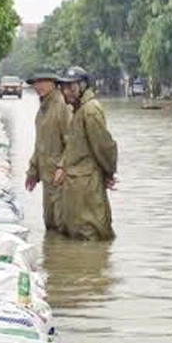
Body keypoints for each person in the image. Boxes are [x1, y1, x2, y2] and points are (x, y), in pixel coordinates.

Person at [54, 66, 118, 241]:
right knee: (77, 236)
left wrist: (109, 172)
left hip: (87, 188)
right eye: (63, 87)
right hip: (76, 187)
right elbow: (74, 146)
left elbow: (104, 146)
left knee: (91, 234)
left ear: (83, 86)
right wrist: (62, 166)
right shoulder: (77, 110)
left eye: (71, 87)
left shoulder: (90, 110)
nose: (66, 91)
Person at [26, 70, 71, 232]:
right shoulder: (42, 110)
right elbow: (40, 145)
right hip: (47, 178)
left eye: (42, 82)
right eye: (35, 83)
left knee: (62, 224)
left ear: (53, 83)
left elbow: (72, 142)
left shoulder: (62, 106)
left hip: (61, 180)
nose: (37, 86)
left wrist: (63, 166)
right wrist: (33, 171)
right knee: (49, 223)